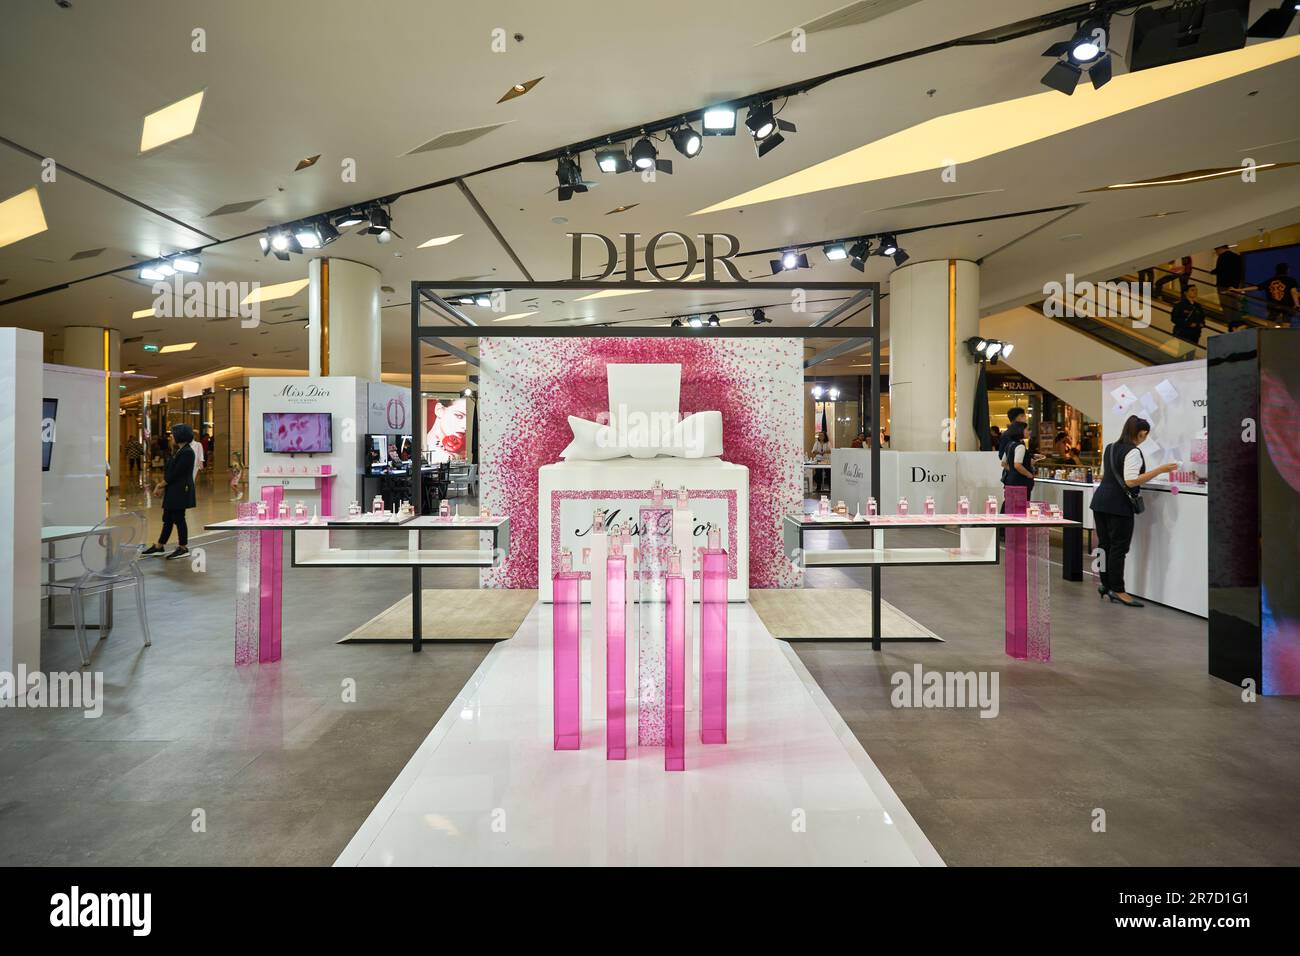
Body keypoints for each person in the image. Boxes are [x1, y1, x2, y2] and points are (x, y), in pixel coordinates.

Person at [1090, 415, 1179, 607]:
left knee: (1105, 545)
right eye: (1144, 435)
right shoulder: (1133, 452)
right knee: (1118, 548)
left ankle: (1105, 585)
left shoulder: (1110, 447)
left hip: (1100, 501)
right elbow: (1130, 481)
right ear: (1140, 433)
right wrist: (1160, 470)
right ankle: (1118, 590)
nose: (1144, 438)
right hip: (1118, 505)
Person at [142, 424, 197, 560]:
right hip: (174, 489)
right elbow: (171, 472)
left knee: (178, 518)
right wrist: (164, 486)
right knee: (168, 518)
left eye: (173, 434)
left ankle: (183, 547)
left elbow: (176, 474)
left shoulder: (187, 452)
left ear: (180, 435)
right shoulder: (179, 450)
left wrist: (160, 486)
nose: (171, 437)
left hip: (180, 490)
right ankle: (160, 545)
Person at [999, 420, 1035, 504]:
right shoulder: (1020, 446)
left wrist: (1012, 470)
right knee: (1020, 508)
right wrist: (1029, 474)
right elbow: (1017, 465)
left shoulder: (1009, 444)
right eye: (1026, 429)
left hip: (1009, 481)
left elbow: (1003, 463)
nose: (1029, 432)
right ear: (1020, 431)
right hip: (1020, 483)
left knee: (1011, 506)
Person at [1212, 243, 1247, 328]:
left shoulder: (1222, 257)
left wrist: (1212, 272)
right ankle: (1238, 321)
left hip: (1223, 285)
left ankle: (1229, 322)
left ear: (1220, 248)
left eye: (1216, 250)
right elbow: (1241, 271)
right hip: (1235, 285)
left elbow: (1220, 269)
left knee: (1226, 304)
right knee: (1234, 303)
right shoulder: (1237, 256)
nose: (1216, 253)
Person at [1262, 262, 1300, 327]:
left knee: (1271, 319)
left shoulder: (1271, 280)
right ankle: (1285, 335)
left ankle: (1269, 334)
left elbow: (1258, 287)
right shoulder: (1291, 280)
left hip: (1273, 304)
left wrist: (1240, 290)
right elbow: (1293, 292)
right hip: (1287, 305)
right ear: (1287, 270)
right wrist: (1297, 304)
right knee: (1286, 320)